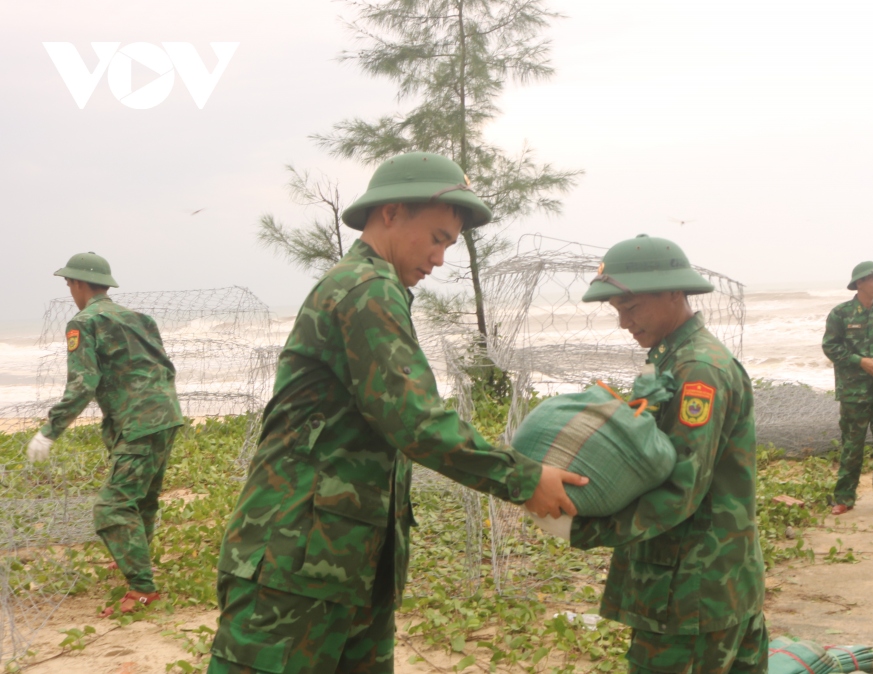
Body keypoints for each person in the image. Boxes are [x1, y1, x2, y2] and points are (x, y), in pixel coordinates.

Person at [207, 152, 587, 674]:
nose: (439, 259)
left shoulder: (373, 287)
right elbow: (416, 421)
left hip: (343, 561)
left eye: (448, 244)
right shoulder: (367, 289)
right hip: (294, 564)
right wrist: (523, 479)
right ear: (390, 214)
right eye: (436, 238)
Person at [571, 234, 767, 674]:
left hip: (691, 593)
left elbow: (680, 489)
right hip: (713, 584)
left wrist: (584, 525)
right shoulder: (673, 360)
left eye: (632, 307)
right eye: (619, 311)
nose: (624, 322)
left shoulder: (697, 370)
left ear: (675, 292)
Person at [27, 252, 183, 615]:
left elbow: (83, 383)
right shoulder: (140, 318)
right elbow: (165, 367)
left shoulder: (83, 323)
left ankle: (143, 589)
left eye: (69, 284)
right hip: (166, 414)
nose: (70, 290)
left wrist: (50, 431)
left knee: (111, 507)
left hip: (137, 422)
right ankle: (133, 557)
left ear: (79, 284)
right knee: (142, 498)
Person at [822, 261, 873, 516]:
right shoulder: (840, 314)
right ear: (859, 283)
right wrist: (861, 362)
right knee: (852, 446)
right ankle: (844, 498)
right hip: (854, 393)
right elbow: (830, 347)